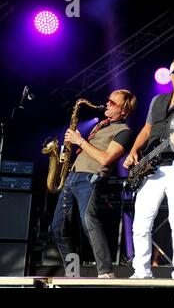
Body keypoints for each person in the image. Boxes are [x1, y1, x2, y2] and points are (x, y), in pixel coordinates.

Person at [123, 55, 174, 279]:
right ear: (170, 76)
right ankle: (141, 271)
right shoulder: (157, 100)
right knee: (141, 222)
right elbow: (147, 130)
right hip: (151, 168)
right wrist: (133, 151)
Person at [51, 89, 137, 278]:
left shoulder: (124, 132)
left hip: (90, 179)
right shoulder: (101, 126)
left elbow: (106, 159)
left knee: (89, 221)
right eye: (108, 100)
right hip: (73, 176)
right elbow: (87, 151)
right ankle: (72, 273)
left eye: (112, 103)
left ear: (124, 110)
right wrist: (72, 145)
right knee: (58, 227)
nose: (107, 104)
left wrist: (80, 141)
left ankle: (106, 271)